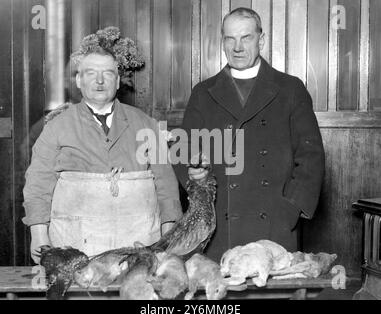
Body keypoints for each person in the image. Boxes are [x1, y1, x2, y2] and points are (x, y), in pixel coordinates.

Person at [175, 8, 325, 262]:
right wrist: (193, 172)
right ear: (222, 42)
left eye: (246, 37)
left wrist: (291, 208)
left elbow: (311, 156)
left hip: (273, 225)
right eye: (230, 38)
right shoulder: (203, 92)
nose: (237, 47)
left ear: (261, 40)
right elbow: (184, 149)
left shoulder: (290, 89)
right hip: (219, 226)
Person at [23, 27, 182, 263]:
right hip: (74, 248)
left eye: (107, 73)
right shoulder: (56, 128)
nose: (99, 80)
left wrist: (168, 236)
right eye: (90, 73)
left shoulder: (145, 124)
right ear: (78, 80)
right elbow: (38, 185)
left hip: (138, 248)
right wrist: (39, 236)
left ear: (117, 81)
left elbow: (166, 186)